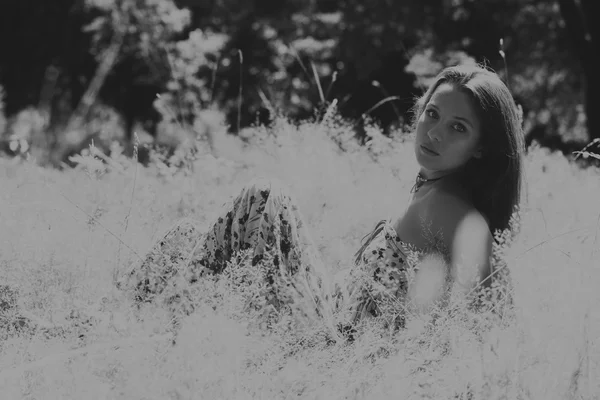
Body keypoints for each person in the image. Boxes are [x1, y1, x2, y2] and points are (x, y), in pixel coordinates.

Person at [122, 63, 525, 340]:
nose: (434, 133)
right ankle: (125, 319)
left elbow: (493, 306)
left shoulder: (453, 208)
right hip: (329, 308)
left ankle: (155, 323)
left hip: (330, 337)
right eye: (432, 114)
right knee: (184, 238)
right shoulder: (435, 187)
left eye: (457, 127)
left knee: (265, 195)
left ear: (481, 149)